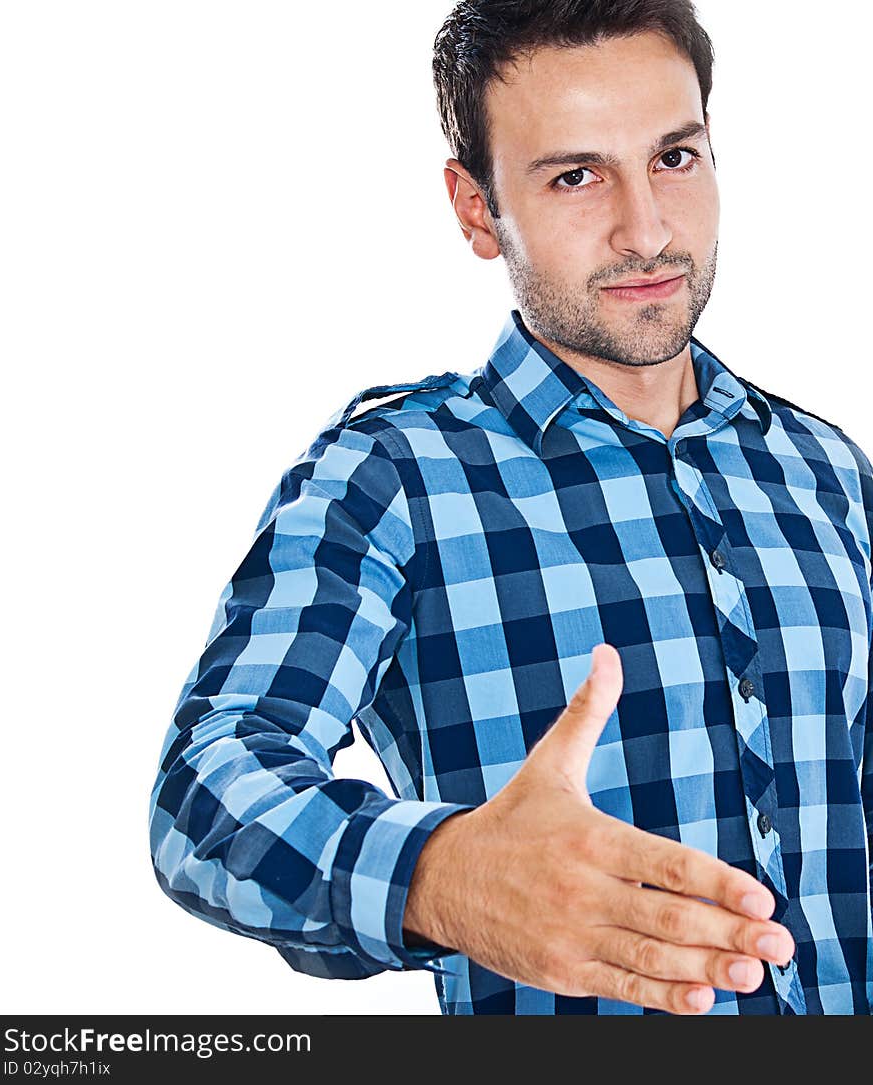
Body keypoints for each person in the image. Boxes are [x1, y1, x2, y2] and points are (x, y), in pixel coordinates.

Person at [148, 0, 873, 1015]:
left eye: (673, 157)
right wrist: (441, 877)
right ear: (476, 209)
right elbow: (204, 792)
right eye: (575, 175)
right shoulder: (391, 473)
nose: (648, 228)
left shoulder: (827, 470)